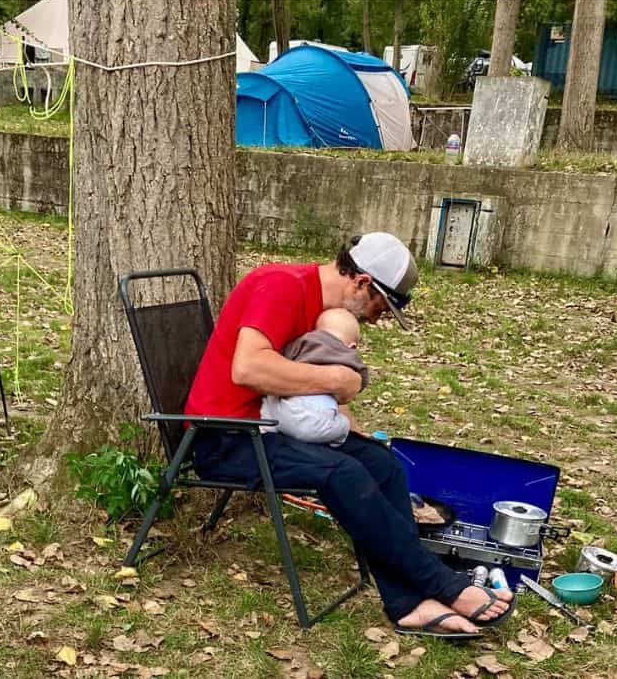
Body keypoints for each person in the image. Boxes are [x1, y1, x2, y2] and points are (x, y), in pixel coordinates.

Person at [184, 232, 514, 637]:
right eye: (380, 306)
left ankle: (407, 602)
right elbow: (248, 369)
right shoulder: (280, 286)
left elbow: (308, 386)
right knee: (345, 474)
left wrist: (351, 425)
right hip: (226, 437)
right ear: (361, 281)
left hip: (273, 427)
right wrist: (337, 378)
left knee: (382, 463)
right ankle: (441, 583)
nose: (376, 319)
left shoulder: (320, 311)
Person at [260, 308, 367, 445]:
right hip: (316, 421)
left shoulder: (303, 341)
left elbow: (284, 357)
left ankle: (265, 427)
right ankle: (337, 442)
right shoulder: (348, 354)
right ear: (352, 346)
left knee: (270, 400)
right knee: (343, 425)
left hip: (285, 411)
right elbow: (360, 377)